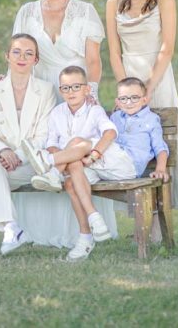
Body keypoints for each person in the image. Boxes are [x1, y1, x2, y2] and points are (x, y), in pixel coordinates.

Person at [11, 0, 118, 247]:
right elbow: (20, 53)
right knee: (47, 140)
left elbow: (94, 59)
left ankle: (82, 230)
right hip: (42, 91)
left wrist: (90, 93)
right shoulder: (27, 12)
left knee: (78, 146)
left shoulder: (84, 11)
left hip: (77, 89)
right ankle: (37, 231)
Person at [22, 66, 136, 261]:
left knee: (76, 143)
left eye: (76, 86)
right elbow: (51, 143)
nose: (70, 92)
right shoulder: (57, 113)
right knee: (70, 177)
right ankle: (89, 229)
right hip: (82, 165)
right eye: (65, 88)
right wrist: (61, 154)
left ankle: (49, 166)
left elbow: (110, 133)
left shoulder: (95, 110)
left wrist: (94, 153)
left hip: (105, 161)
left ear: (86, 89)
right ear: (60, 90)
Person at [106, 0, 178, 209]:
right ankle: (139, 212)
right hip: (128, 75)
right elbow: (114, 52)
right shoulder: (113, 4)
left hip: (158, 75)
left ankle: (161, 212)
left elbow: (168, 47)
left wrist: (149, 87)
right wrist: (126, 91)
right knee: (130, 137)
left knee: (161, 138)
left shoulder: (166, 0)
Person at [0, 34, 57, 263]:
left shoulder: (46, 90)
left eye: (29, 53)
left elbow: (42, 136)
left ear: (36, 60)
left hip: (30, 166)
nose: (22, 57)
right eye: (17, 51)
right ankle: (10, 227)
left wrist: (17, 155)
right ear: (7, 56)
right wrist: (3, 152)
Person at [109, 77, 170, 182]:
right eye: (123, 98)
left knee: (85, 145)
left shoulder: (151, 119)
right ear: (117, 102)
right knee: (77, 173)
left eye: (134, 97)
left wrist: (160, 169)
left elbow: (160, 147)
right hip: (111, 162)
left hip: (131, 165)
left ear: (144, 100)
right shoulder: (115, 117)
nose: (129, 103)